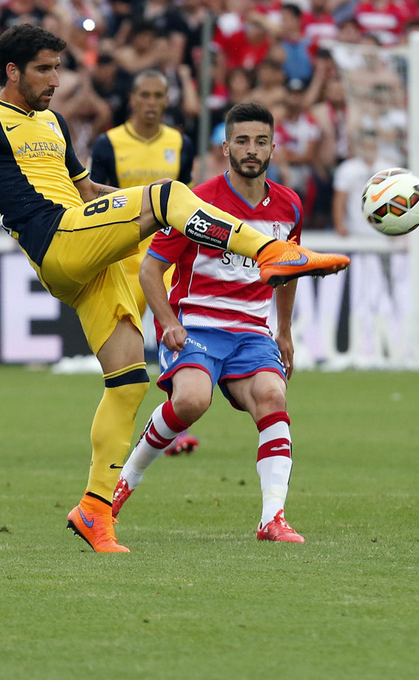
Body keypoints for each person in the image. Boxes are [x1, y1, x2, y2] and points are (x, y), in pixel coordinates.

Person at [0, 24, 349, 553]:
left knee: (127, 381)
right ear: (11, 71)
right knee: (171, 194)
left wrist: (138, 205)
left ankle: (95, 510)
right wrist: (156, 203)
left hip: (86, 247)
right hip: (56, 239)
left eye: (57, 67)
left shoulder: (51, 123)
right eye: (44, 69)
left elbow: (87, 190)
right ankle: (268, 250)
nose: (56, 79)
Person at [112, 102, 305, 542]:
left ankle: (271, 519)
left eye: (260, 141)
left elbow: (287, 270)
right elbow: (149, 269)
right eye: (242, 141)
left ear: (274, 146)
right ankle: (122, 485)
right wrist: (167, 322)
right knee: (193, 401)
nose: (251, 150)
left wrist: (285, 331)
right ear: (226, 147)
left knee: (273, 397)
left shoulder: (289, 207)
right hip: (196, 325)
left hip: (252, 333)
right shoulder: (196, 202)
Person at [90, 68, 200, 456]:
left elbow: (187, 197)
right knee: (127, 353)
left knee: (176, 338)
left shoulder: (180, 144)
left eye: (158, 96)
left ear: (166, 101)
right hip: (125, 256)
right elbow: (93, 202)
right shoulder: (109, 144)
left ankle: (174, 425)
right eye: (145, 95)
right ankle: (123, 429)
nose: (152, 103)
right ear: (132, 99)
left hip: (168, 256)